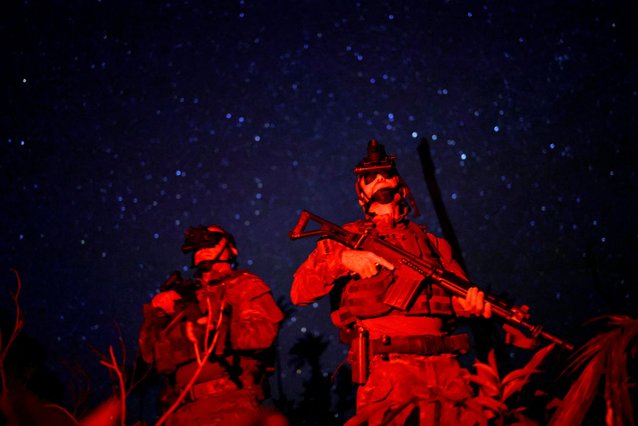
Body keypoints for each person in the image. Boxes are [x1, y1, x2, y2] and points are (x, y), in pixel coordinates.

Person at [291, 139, 492, 425]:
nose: (380, 180)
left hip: (446, 370)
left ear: (400, 183)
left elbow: (459, 298)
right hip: (389, 373)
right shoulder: (343, 238)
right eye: (370, 177)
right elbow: (299, 292)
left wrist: (470, 305)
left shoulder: (433, 245)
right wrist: (343, 261)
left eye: (387, 173)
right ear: (361, 191)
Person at [139, 224, 285, 426]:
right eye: (197, 245)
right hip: (180, 411)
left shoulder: (244, 286)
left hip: (229, 403)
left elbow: (262, 335)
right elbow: (151, 357)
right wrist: (155, 316)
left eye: (211, 241)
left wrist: (213, 327)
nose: (202, 247)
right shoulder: (182, 297)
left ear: (231, 249)